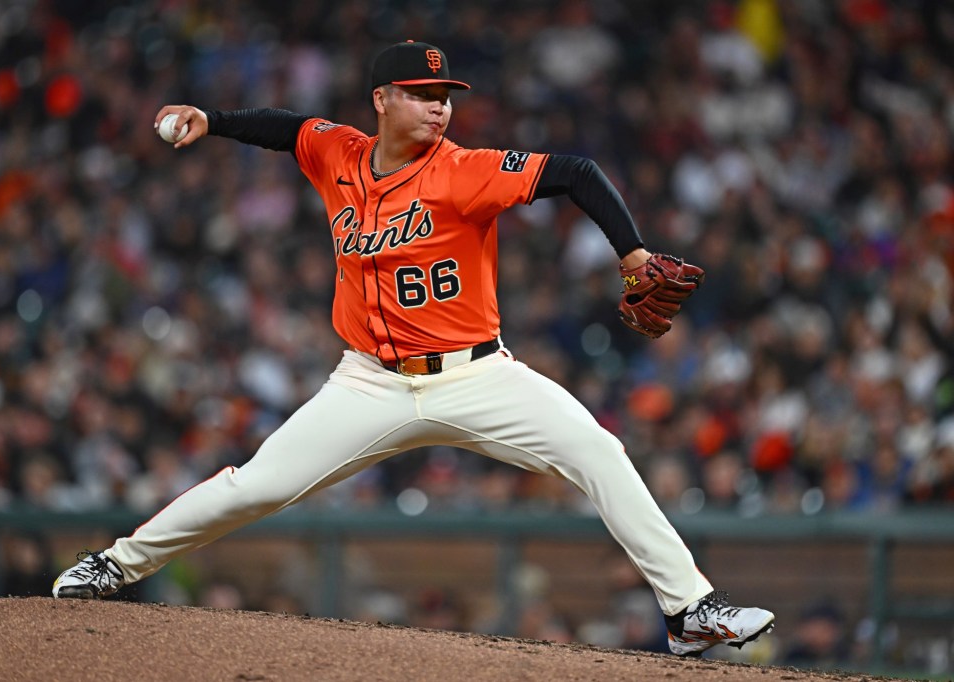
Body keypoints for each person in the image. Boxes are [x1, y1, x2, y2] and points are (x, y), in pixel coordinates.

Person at [53, 40, 775, 657]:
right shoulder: (338, 152)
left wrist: (632, 254)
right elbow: (287, 128)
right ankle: (113, 566)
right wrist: (210, 121)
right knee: (258, 486)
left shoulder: (463, 170)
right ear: (382, 99)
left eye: (445, 96)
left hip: (477, 375)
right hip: (367, 383)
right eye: (422, 94)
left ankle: (689, 613)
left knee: (598, 452)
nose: (439, 107)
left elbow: (578, 172)